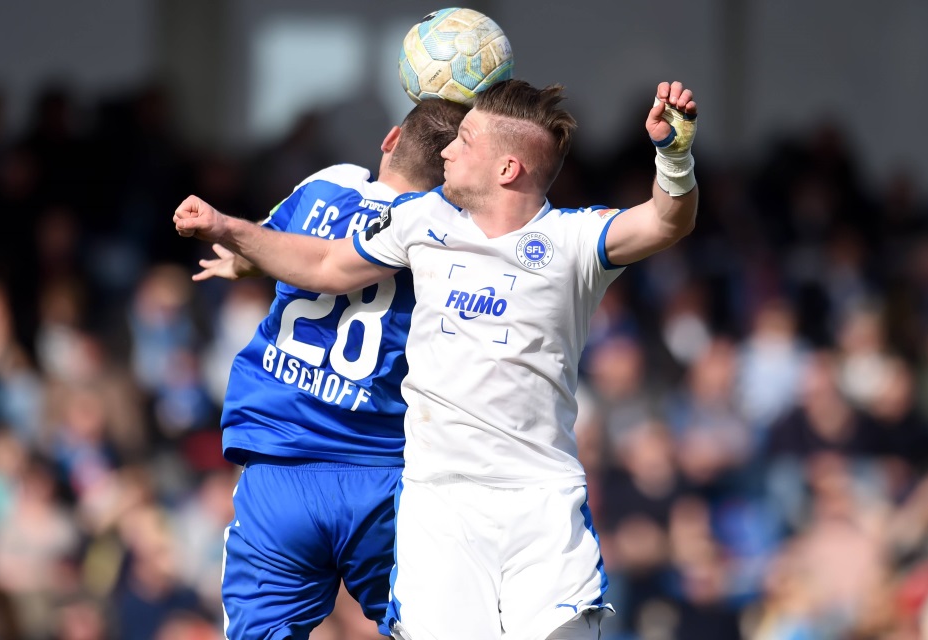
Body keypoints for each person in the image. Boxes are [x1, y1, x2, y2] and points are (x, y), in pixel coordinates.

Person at [175, 78, 699, 640]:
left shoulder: (573, 240)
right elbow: (325, 264)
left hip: (540, 503)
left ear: (506, 170)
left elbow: (667, 221)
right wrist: (231, 229)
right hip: (436, 505)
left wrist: (674, 155)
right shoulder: (423, 223)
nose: (446, 150)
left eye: (465, 140)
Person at [197, 97, 470, 640]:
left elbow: (277, 243)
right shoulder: (450, 231)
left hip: (280, 468)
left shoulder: (328, 185)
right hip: (384, 476)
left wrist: (244, 259)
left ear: (390, 139)